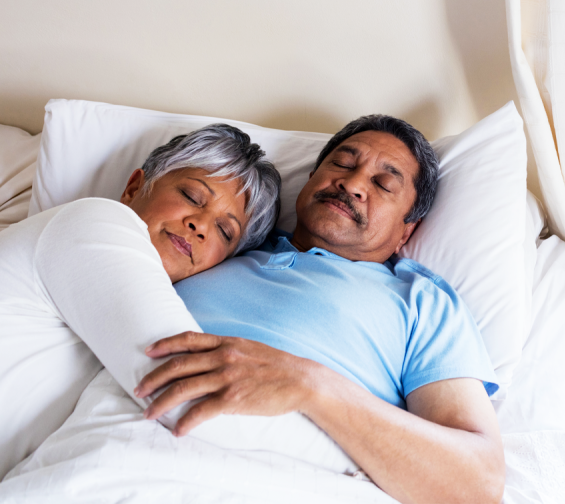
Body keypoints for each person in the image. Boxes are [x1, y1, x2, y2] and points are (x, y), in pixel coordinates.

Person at [134, 115, 506, 504]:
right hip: (139, 435)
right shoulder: (223, 242)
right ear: (311, 178)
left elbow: (477, 485)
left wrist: (311, 385)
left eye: (383, 184)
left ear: (405, 232)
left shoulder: (421, 302)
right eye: (342, 164)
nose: (352, 183)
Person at [0, 123, 281, 478]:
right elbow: (187, 399)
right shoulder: (95, 222)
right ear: (134, 188)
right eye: (193, 197)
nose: (200, 225)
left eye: (225, 232)